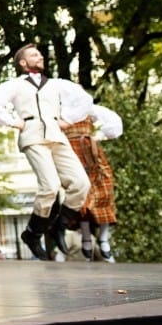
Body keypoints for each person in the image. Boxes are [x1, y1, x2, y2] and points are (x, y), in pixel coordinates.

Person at [0, 43, 91, 261]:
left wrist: (67, 119)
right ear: (23, 63)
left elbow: (85, 100)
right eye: (34, 54)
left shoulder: (56, 84)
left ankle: (59, 226)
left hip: (56, 136)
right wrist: (13, 122)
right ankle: (32, 233)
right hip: (33, 137)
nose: (39, 56)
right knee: (50, 186)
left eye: (39, 53)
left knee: (81, 183)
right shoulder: (15, 85)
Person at [59, 94, 122, 262]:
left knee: (105, 191)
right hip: (71, 154)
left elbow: (114, 123)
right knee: (83, 197)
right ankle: (86, 237)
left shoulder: (89, 109)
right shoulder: (60, 112)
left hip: (91, 153)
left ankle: (103, 237)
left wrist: (98, 136)